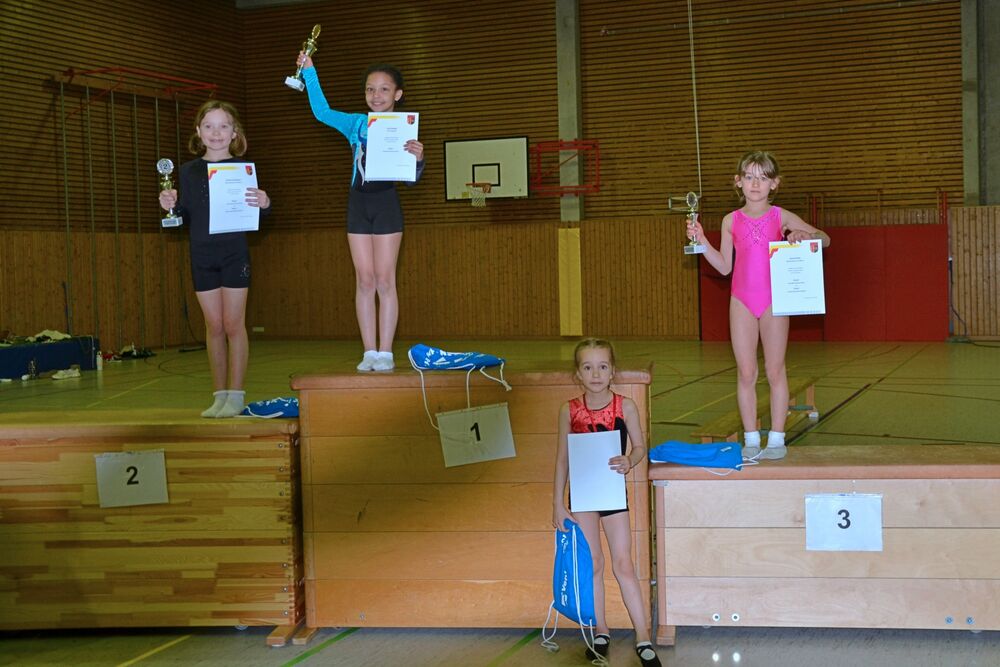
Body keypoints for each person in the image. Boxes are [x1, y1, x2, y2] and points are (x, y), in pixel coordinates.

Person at [687, 150, 830, 459]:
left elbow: (825, 239)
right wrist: (701, 241)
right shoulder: (730, 220)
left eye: (763, 178)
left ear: (774, 184)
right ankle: (751, 438)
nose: (755, 184)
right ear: (738, 181)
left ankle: (777, 439)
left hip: (774, 302)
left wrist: (804, 234)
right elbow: (724, 266)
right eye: (749, 177)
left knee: (775, 370)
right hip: (741, 301)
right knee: (746, 372)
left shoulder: (780, 216)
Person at [295, 51, 425, 372]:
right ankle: (369, 351)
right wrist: (309, 71)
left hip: (386, 206)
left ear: (397, 94)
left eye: (384, 89)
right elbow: (322, 112)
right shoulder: (356, 123)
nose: (376, 95)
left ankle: (386, 352)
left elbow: (411, 181)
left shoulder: (405, 127)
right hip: (357, 205)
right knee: (364, 280)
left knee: (385, 280)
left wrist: (419, 159)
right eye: (370, 89)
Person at [551, 338, 661, 667]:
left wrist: (630, 460)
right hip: (582, 496)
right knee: (594, 564)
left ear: (613, 371)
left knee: (623, 564)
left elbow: (640, 448)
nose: (596, 374)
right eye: (588, 367)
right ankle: (601, 630)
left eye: (602, 367)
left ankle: (643, 636)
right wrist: (557, 503)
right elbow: (562, 459)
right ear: (578, 374)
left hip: (612, 494)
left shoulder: (625, 406)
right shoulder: (569, 409)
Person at [158, 101, 270, 418]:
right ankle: (219, 395)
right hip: (202, 255)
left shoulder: (244, 169)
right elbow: (182, 217)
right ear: (198, 131)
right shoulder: (187, 171)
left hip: (234, 254)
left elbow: (258, 217)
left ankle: (236, 395)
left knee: (234, 324)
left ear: (234, 132)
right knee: (214, 325)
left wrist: (265, 203)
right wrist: (170, 205)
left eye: (223, 126)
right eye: (209, 126)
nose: (216, 133)